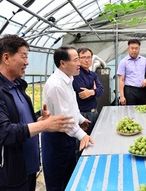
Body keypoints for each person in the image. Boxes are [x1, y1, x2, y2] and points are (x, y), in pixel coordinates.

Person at [0, 34, 74, 191]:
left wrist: (39, 122)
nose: (27, 62)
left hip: (26, 170)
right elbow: (3, 132)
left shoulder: (17, 86)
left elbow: (20, 124)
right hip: (8, 177)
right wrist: (44, 125)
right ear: (6, 58)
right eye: (23, 56)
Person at [42, 45, 94, 191]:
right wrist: (82, 135)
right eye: (76, 59)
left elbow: (72, 108)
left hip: (68, 137)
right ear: (63, 63)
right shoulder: (56, 85)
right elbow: (64, 119)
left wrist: (81, 119)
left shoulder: (68, 80)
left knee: (70, 179)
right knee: (58, 182)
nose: (80, 63)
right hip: (57, 140)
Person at [73, 48, 104, 135]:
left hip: (94, 112)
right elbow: (82, 94)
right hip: (83, 114)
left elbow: (101, 90)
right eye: (83, 57)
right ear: (78, 59)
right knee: (84, 141)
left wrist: (91, 92)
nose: (87, 60)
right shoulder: (77, 74)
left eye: (89, 57)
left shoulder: (93, 74)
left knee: (94, 137)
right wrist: (95, 90)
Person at [117, 39, 146, 105]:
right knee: (130, 112)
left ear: (139, 49)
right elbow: (121, 80)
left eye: (136, 48)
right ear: (128, 49)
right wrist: (122, 96)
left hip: (142, 90)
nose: (134, 50)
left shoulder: (144, 60)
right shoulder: (123, 62)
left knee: (143, 111)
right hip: (129, 91)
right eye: (132, 48)